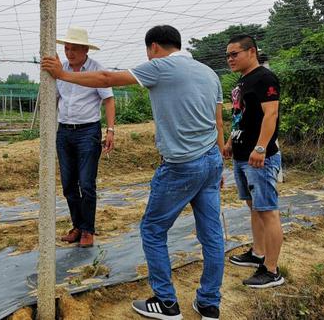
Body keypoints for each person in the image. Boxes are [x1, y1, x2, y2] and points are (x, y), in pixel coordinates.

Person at [42, 25, 225, 320]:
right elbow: (218, 123)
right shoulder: (208, 73)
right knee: (213, 235)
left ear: (153, 47)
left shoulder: (162, 66)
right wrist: (219, 167)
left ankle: (166, 303)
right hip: (210, 161)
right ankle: (208, 303)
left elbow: (107, 79)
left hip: (180, 166)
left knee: (152, 230)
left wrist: (62, 75)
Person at [223, 34, 284, 288]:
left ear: (252, 52)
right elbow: (240, 115)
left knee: (267, 210)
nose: (230, 59)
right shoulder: (244, 80)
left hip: (259, 157)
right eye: (227, 55)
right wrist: (229, 141)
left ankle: (271, 270)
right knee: (253, 206)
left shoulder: (265, 78)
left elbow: (271, 114)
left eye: (234, 54)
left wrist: (260, 147)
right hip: (241, 153)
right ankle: (257, 253)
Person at [55, 26, 115, 248]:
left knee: (87, 183)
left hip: (88, 132)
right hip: (64, 132)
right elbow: (55, 99)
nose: (69, 53)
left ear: (85, 50)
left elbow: (109, 100)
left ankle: (88, 230)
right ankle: (78, 226)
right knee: (69, 184)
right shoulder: (60, 71)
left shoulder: (97, 71)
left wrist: (110, 130)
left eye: (73, 49)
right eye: (67, 49)